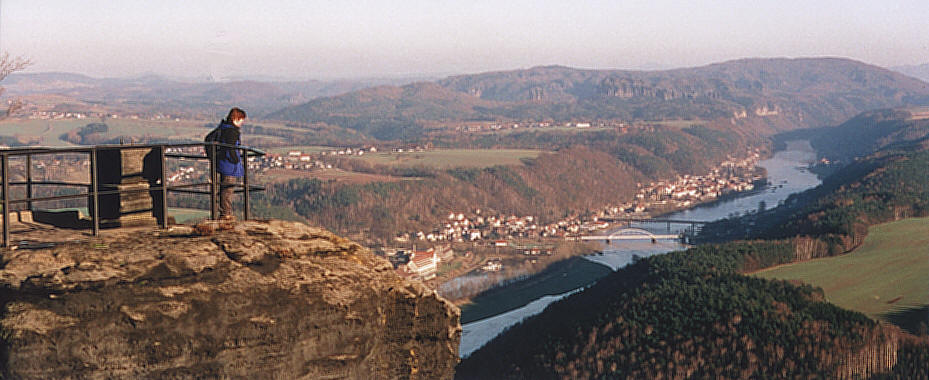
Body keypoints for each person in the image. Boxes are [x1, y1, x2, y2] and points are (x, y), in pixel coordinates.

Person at [214, 107, 246, 220]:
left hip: (223, 164)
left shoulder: (223, 128)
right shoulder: (232, 131)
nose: (243, 122)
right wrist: (236, 160)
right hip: (229, 166)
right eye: (241, 119)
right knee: (227, 190)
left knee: (225, 189)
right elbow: (231, 148)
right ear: (235, 119)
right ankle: (225, 214)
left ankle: (225, 213)